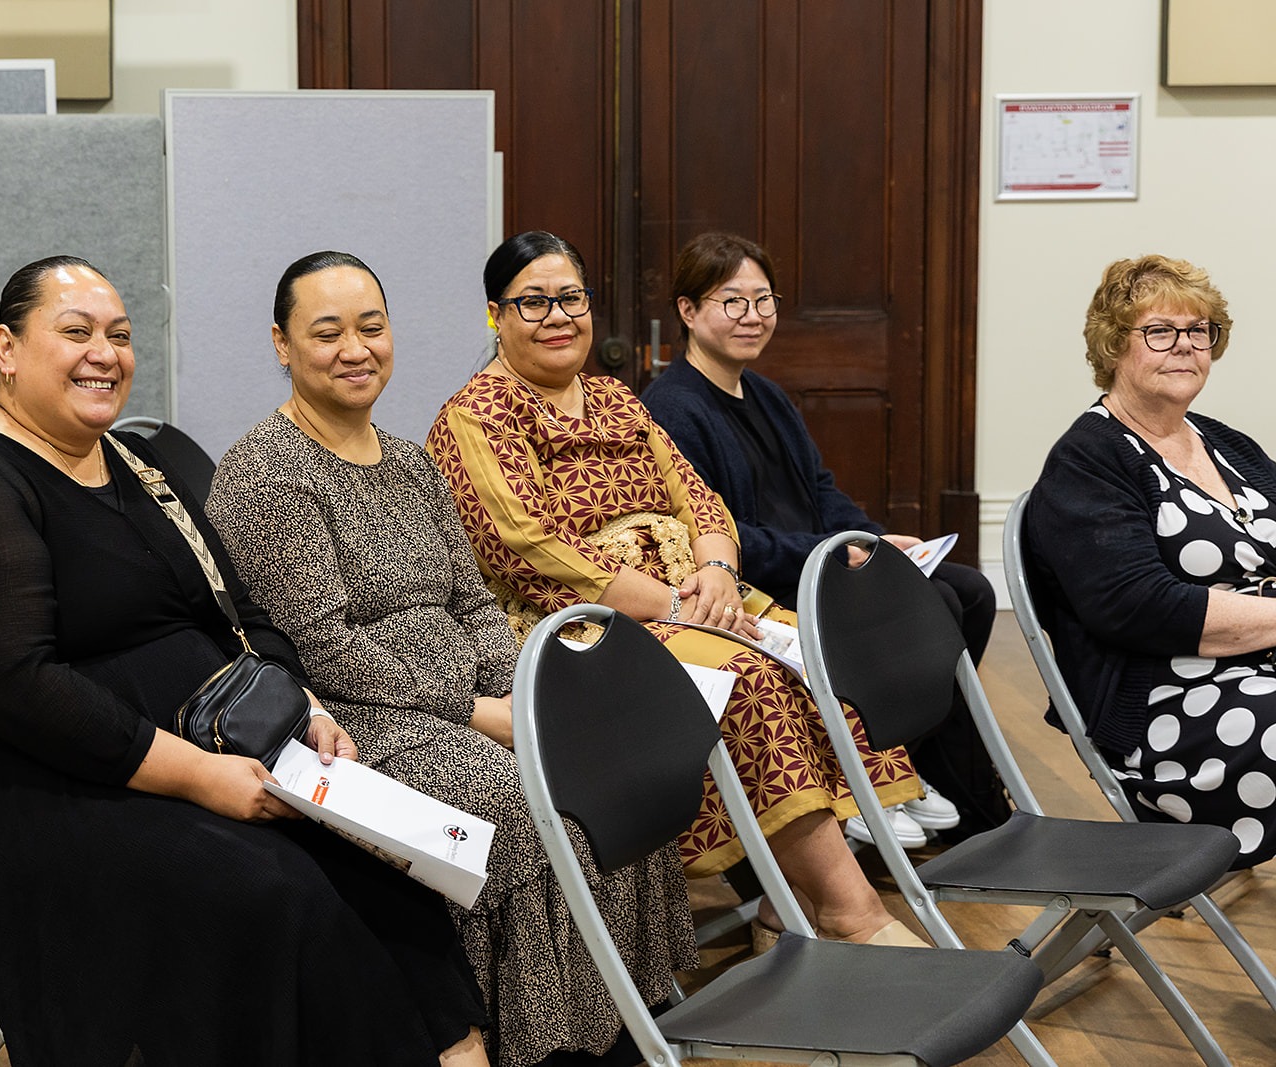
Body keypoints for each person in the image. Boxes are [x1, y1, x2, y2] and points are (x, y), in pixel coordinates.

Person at [0, 255, 490, 1066]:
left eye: (120, 335)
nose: (105, 352)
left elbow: (243, 611)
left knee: (384, 870)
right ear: (8, 348)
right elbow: (14, 687)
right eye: (76, 331)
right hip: (33, 784)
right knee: (273, 893)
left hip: (210, 745)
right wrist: (198, 777)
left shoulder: (140, 464)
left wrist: (302, 705)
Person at [207, 251, 694, 1067]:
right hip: (361, 720)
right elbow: (325, 646)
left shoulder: (407, 459)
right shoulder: (266, 474)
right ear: (282, 345)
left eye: (372, 326)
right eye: (327, 332)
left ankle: (622, 1010)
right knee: (520, 803)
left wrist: (521, 696)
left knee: (615, 761)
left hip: (473, 696)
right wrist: (479, 715)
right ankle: (544, 1043)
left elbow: (471, 601)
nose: (355, 348)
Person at [425, 231, 928, 952]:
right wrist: (670, 604)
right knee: (748, 677)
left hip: (688, 600)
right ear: (495, 316)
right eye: (532, 301)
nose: (557, 315)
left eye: (571, 297)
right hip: (578, 630)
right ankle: (855, 913)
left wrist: (719, 570)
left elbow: (699, 498)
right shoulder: (479, 413)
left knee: (820, 652)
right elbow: (525, 548)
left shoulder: (615, 399)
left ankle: (784, 909)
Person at [639, 231, 1009, 844]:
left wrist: (873, 537)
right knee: (936, 605)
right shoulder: (674, 407)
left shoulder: (767, 394)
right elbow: (724, 535)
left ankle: (915, 768)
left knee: (969, 590)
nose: (752, 317)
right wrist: (836, 553)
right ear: (688, 311)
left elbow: (820, 489)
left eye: (764, 300)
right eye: (732, 301)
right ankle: (873, 776)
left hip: (819, 564)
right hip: (769, 583)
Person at [1026, 253, 1276, 869]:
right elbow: (1138, 607)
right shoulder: (1089, 459)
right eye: (1160, 332)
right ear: (1114, 346)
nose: (1184, 347)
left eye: (1199, 332)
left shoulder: (1227, 444)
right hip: (1169, 705)